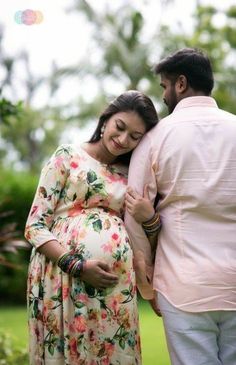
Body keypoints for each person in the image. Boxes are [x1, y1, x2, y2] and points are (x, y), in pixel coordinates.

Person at [24, 90, 159, 365]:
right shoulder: (67, 156)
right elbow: (34, 225)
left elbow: (147, 240)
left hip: (114, 288)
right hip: (62, 277)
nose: (123, 140)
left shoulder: (133, 174)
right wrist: (76, 265)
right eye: (120, 127)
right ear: (106, 118)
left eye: (135, 137)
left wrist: (150, 218)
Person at [125, 48, 236, 365]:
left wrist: (147, 285)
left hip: (182, 285)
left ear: (181, 83)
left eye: (164, 86)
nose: (163, 95)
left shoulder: (156, 137)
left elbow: (135, 213)